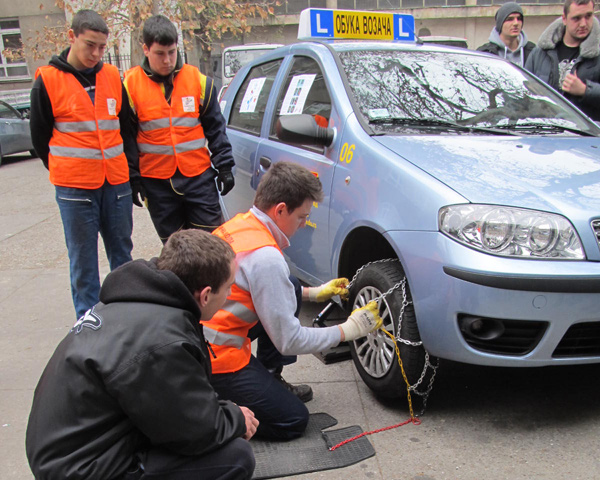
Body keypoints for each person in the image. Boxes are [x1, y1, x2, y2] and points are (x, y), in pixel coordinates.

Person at [26, 229, 259, 480]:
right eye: (228, 288)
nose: (229, 295)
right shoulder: (163, 341)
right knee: (234, 457)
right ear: (204, 295)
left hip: (70, 452)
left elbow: (174, 406)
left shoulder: (137, 300)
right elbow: (195, 432)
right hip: (81, 470)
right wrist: (235, 417)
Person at [201, 161, 383, 440]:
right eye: (301, 217)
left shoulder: (242, 224)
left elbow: (261, 288)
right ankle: (214, 408)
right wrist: (349, 330)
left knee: (293, 285)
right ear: (281, 209)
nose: (303, 224)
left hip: (205, 336)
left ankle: (269, 377)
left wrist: (314, 292)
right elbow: (289, 340)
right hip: (217, 359)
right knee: (293, 420)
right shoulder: (265, 257)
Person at [30, 10, 138, 319]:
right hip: (75, 189)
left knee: (123, 259)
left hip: (116, 184)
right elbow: (40, 137)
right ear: (71, 37)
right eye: (90, 45)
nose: (96, 54)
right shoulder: (47, 81)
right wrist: (65, 170)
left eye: (102, 47)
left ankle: (127, 319)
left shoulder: (112, 78)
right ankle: (88, 327)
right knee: (83, 263)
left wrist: (130, 172)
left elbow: (126, 129)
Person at [124, 15, 235, 243]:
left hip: (198, 177)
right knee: (176, 248)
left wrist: (224, 166)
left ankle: (210, 281)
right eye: (160, 54)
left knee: (211, 243)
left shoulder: (198, 81)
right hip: (157, 183)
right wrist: (133, 179)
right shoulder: (130, 87)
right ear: (146, 49)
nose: (167, 60)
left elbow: (215, 128)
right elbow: (127, 137)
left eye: (172, 53)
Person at [525, 0, 600, 121]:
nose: (583, 24)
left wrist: (585, 90)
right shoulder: (539, 53)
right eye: (576, 18)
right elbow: (522, 95)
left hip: (586, 136)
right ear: (564, 19)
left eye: (588, 16)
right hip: (543, 132)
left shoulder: (597, 53)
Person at [477, 2, 536, 67]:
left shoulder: (533, 51)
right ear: (500, 24)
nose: (516, 23)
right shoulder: (486, 53)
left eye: (519, 19)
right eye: (510, 19)